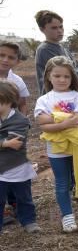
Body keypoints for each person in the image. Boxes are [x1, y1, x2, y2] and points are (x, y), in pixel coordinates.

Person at [35, 57, 78, 232]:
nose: (61, 80)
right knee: (62, 184)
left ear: (72, 78)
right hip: (57, 151)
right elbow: (42, 124)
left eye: (66, 76)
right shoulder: (43, 99)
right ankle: (67, 216)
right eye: (57, 76)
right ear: (49, 77)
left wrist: (54, 122)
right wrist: (65, 122)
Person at [0, 82, 39, 234]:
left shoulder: (20, 120)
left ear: (9, 101)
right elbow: (8, 142)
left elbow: (16, 143)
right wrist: (5, 142)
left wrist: (6, 143)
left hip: (17, 167)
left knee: (24, 197)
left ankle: (29, 221)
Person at [0, 42, 31, 227]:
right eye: (1, 55)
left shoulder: (16, 80)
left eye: (11, 57)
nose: (5, 59)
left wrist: (23, 125)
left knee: (13, 166)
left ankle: (15, 204)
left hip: (13, 130)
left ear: (17, 61)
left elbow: (23, 104)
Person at [34, 10, 78, 94]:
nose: (59, 30)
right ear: (42, 30)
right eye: (54, 28)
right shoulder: (45, 49)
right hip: (54, 101)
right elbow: (67, 75)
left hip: (68, 98)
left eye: (61, 27)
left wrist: (75, 72)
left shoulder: (64, 48)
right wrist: (74, 72)